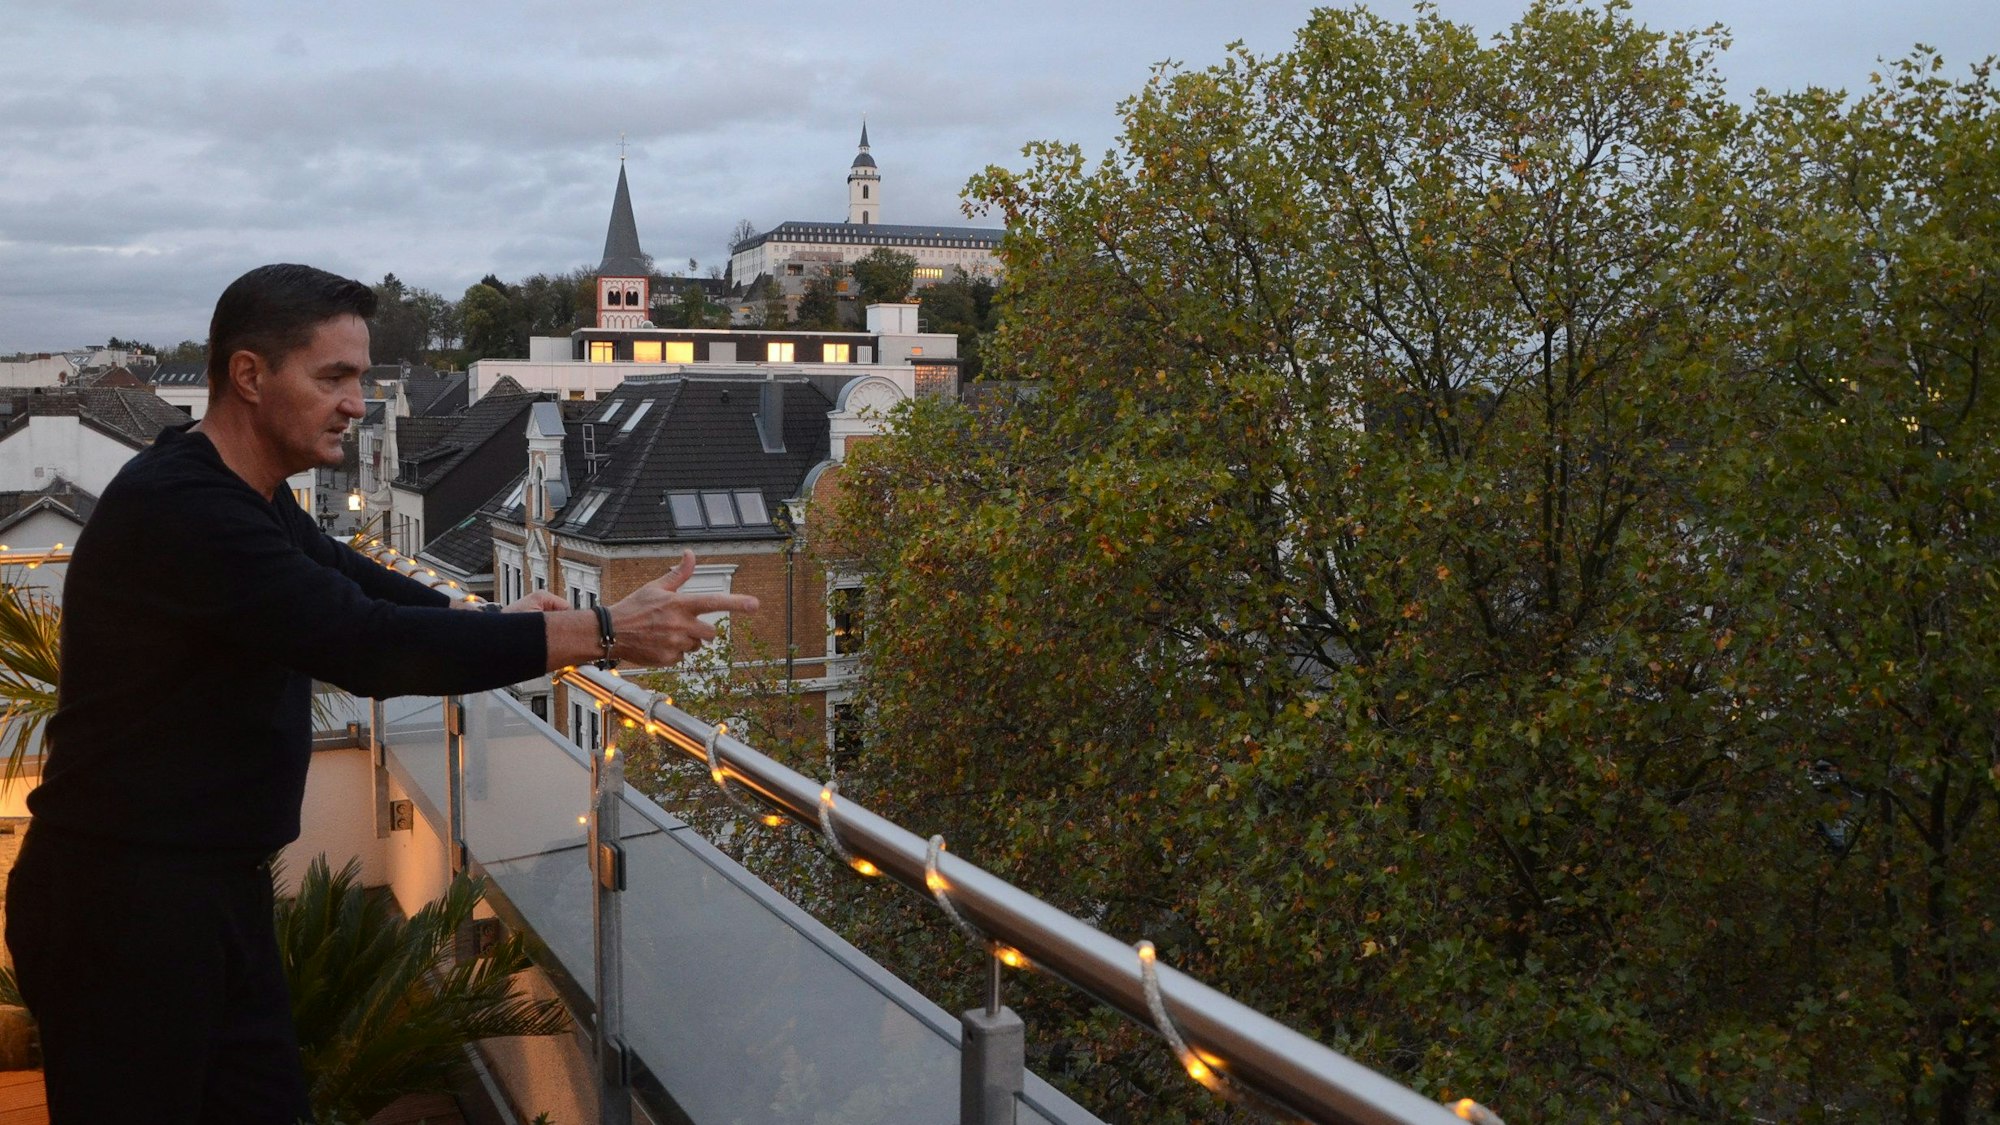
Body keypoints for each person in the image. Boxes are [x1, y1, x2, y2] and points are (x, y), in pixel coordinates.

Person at [4, 263, 757, 1123]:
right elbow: (368, 643)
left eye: (360, 377)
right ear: (249, 376)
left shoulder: (238, 493)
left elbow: (362, 586)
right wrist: (603, 633)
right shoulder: (185, 510)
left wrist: (486, 614)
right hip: (123, 911)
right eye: (334, 377)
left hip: (202, 895)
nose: (358, 403)